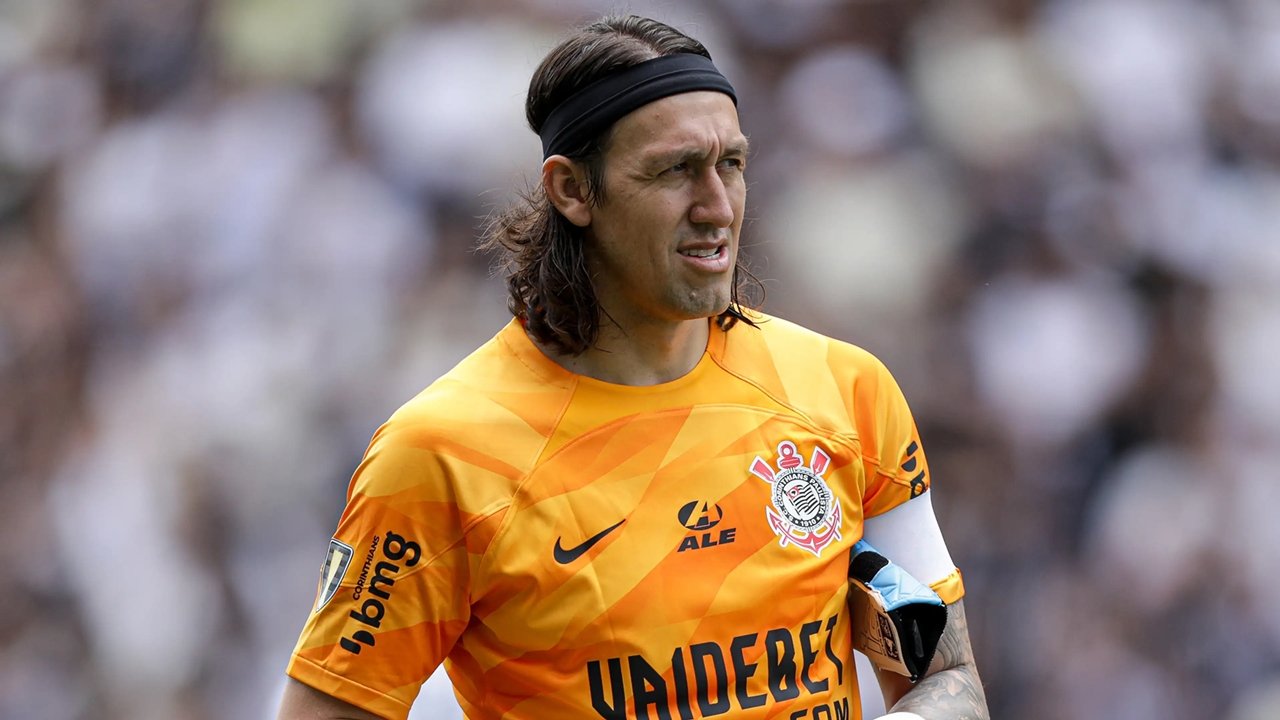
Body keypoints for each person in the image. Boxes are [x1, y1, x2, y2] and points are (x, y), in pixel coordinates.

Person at [277, 14, 988, 720]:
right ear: (572, 191)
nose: (717, 207)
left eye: (731, 165)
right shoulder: (442, 455)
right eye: (676, 170)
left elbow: (945, 676)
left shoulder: (846, 389)